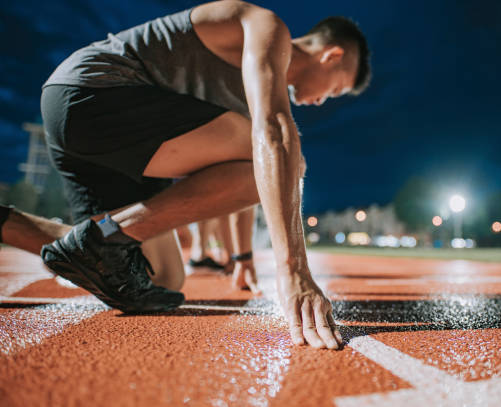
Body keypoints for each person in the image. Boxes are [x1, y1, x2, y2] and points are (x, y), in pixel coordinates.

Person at [0, 0, 370, 349]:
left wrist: (242, 259)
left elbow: (253, 179)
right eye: (335, 88)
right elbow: (273, 133)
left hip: (109, 139)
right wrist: (294, 270)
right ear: (331, 55)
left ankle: (78, 234)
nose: (323, 100)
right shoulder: (265, 26)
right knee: (291, 159)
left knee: (157, 276)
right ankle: (107, 237)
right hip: (94, 93)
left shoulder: (249, 93)